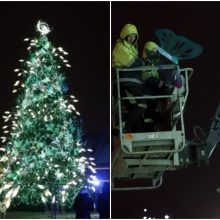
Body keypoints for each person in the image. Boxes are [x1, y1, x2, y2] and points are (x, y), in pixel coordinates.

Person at [112, 24, 146, 133]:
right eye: (129, 36)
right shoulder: (120, 47)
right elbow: (130, 63)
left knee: (135, 108)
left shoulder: (132, 48)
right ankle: (123, 125)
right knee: (142, 104)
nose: (132, 38)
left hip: (132, 84)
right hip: (126, 83)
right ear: (124, 35)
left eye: (134, 36)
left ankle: (132, 129)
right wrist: (143, 62)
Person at [141, 41, 183, 131]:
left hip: (151, 93)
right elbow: (147, 77)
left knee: (152, 114)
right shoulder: (143, 63)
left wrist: (167, 83)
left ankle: (152, 127)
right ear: (147, 51)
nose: (155, 53)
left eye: (156, 51)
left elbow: (163, 72)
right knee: (148, 115)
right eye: (153, 51)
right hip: (146, 94)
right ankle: (148, 130)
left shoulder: (152, 64)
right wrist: (161, 84)